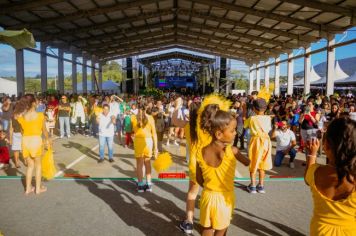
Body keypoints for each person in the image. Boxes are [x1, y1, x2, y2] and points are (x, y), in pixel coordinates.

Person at [196, 103, 250, 236]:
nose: (235, 133)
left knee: (206, 228)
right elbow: (248, 162)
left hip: (207, 196)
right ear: (219, 134)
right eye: (232, 131)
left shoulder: (201, 151)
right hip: (224, 198)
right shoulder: (232, 151)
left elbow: (199, 179)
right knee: (221, 230)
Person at [304, 117, 356, 235]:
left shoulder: (316, 172)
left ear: (326, 145)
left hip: (319, 230)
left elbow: (307, 179)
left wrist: (312, 155)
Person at [15, 94, 50, 195]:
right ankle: (38, 189)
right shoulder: (40, 115)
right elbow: (44, 131)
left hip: (25, 141)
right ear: (34, 103)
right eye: (36, 101)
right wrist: (48, 140)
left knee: (30, 166)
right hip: (36, 141)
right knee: (38, 166)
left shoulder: (22, 117)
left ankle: (27, 189)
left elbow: (22, 131)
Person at [179, 101, 200, 234]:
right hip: (209, 163)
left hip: (194, 163)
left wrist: (177, 106)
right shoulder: (208, 127)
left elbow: (175, 120)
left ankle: (189, 222)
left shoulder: (188, 126)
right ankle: (210, 221)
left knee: (192, 193)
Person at [247, 98, 272, 194]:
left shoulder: (252, 118)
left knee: (253, 161)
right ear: (265, 108)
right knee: (263, 163)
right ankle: (261, 185)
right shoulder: (268, 118)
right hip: (266, 141)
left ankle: (253, 185)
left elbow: (246, 125)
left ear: (254, 108)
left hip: (256, 141)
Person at [131, 103, 158, 193]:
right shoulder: (150, 118)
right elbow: (154, 133)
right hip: (148, 141)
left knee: (139, 164)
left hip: (138, 141)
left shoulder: (133, 118)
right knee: (147, 163)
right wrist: (156, 147)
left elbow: (131, 131)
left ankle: (140, 185)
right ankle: (149, 184)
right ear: (146, 108)